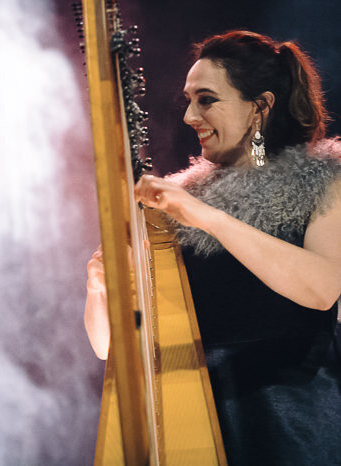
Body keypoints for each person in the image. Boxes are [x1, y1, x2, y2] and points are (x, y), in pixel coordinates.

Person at [84, 31, 341, 464]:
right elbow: (109, 347)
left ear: (260, 107)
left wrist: (206, 216)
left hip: (288, 421)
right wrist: (99, 289)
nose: (189, 115)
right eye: (188, 99)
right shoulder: (177, 204)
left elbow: (323, 289)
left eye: (206, 99)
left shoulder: (322, 179)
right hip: (192, 418)